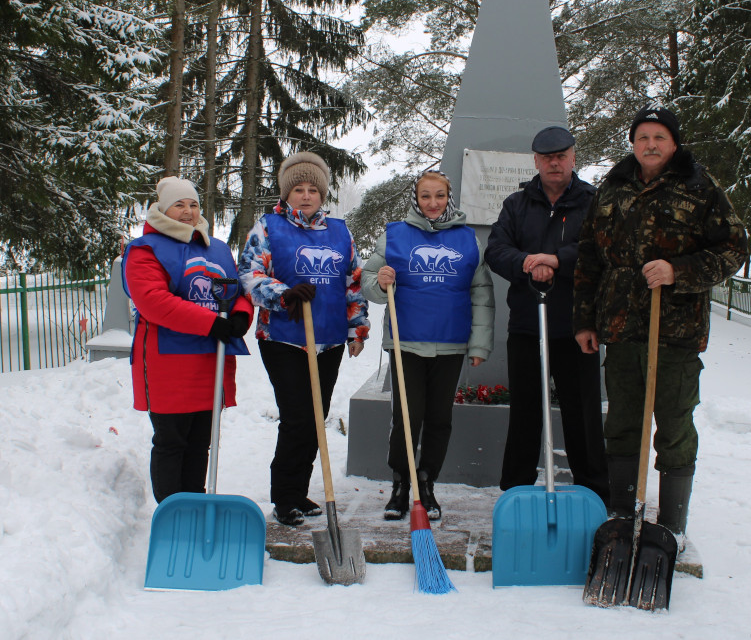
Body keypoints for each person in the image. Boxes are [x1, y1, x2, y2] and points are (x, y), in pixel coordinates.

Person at [573, 105, 748, 543]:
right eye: (642, 138)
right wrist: (585, 321)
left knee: (673, 426)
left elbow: (733, 248)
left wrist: (679, 271)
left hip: (676, 333)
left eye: (659, 138)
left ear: (674, 143)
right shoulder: (612, 189)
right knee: (623, 425)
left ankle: (671, 524)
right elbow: (589, 256)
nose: (650, 145)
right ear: (633, 144)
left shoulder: (701, 188)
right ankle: (622, 513)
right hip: (620, 328)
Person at [238, 151, 369, 527]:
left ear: (322, 194)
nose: (306, 195)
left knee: (316, 417)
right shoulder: (267, 227)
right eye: (299, 188)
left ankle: (300, 491)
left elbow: (353, 281)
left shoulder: (340, 231)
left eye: (313, 189)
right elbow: (249, 273)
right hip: (282, 338)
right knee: (297, 417)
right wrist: (284, 294)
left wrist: (357, 329)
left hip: (327, 339)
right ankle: (284, 496)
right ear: (287, 193)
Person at [485, 126, 609, 504]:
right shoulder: (517, 204)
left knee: (583, 413)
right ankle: (516, 492)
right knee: (525, 413)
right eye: (547, 157)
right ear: (536, 162)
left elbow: (601, 248)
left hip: (577, 326)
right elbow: (496, 249)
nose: (555, 162)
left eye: (562, 155)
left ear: (573, 158)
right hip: (528, 325)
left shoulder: (592, 201)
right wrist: (526, 262)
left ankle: (593, 493)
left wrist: (558, 260)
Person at [362, 170, 495, 520]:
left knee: (439, 418)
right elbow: (367, 279)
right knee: (407, 416)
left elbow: (481, 293)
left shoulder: (468, 240)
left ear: (448, 198)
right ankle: (401, 483)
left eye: (439, 195)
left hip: (450, 343)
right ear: (415, 199)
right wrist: (380, 281)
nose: (432, 203)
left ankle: (426, 482)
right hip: (406, 341)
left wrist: (479, 344)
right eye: (425, 196)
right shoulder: (394, 235)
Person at [123, 176, 253, 504]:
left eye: (193, 204)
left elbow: (236, 290)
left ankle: (194, 505)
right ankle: (172, 511)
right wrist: (212, 323)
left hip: (211, 361)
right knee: (172, 441)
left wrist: (240, 314)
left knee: (200, 443)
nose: (188, 211)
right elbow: (153, 301)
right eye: (179, 204)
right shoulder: (144, 250)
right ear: (162, 209)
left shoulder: (217, 249)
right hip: (169, 364)